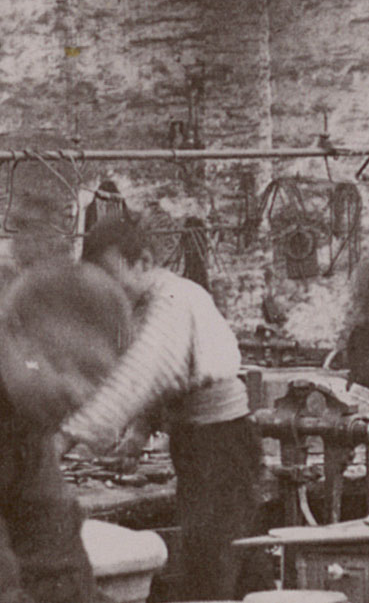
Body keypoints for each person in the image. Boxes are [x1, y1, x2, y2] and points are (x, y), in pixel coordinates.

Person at [60, 218, 268, 601]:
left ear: (143, 261)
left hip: (223, 443)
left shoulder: (173, 297)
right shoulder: (141, 305)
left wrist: (66, 439)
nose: (106, 289)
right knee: (220, 552)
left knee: (214, 564)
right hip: (196, 441)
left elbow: (142, 374)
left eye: (110, 275)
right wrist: (139, 434)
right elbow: (165, 380)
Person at [0, 260, 131, 603]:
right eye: (63, 364)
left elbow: (57, 568)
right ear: (12, 337)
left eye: (95, 377)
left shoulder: (29, 422)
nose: (79, 392)